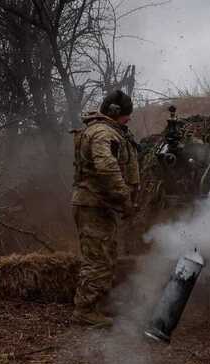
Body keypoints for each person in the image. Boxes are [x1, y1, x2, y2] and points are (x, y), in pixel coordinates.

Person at [71, 90, 140, 327]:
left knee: (105, 256)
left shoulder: (108, 131)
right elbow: (107, 168)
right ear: (114, 112)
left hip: (99, 205)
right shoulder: (102, 133)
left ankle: (96, 304)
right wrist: (124, 199)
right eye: (126, 115)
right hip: (93, 205)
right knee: (97, 260)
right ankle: (85, 310)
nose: (128, 120)